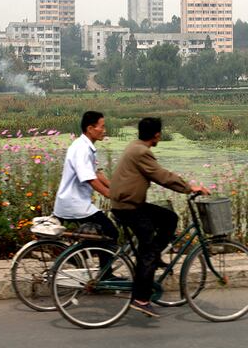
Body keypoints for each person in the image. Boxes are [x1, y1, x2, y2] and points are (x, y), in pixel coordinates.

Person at [110, 117, 210, 318]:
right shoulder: (141, 152)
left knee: (169, 218)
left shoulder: (135, 146)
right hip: (128, 207)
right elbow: (162, 176)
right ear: (156, 135)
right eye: (160, 133)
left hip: (130, 204)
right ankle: (141, 299)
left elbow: (158, 175)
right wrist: (189, 187)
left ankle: (154, 256)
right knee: (147, 247)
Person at [53, 111, 118, 242]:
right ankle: (80, 259)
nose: (104, 130)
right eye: (102, 126)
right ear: (90, 129)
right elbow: (89, 178)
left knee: (98, 236)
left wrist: (116, 189)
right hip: (74, 203)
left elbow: (96, 174)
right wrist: (108, 193)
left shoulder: (85, 146)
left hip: (74, 202)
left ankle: (81, 257)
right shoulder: (82, 149)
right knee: (110, 232)